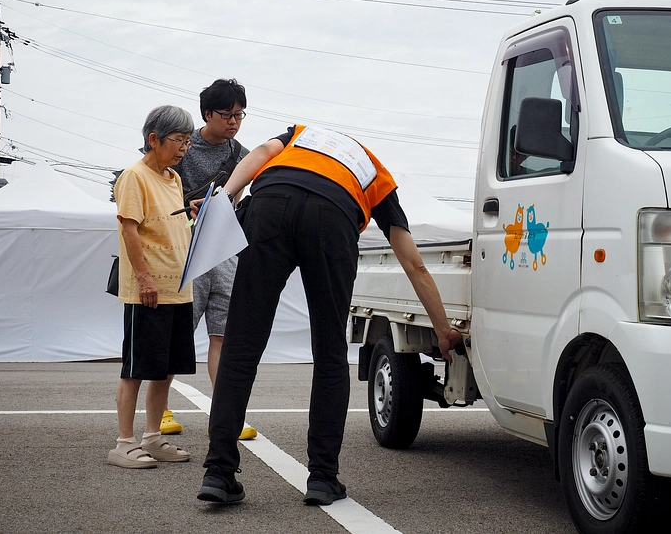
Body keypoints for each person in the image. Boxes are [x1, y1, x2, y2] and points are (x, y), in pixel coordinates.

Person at [196, 124, 463, 504]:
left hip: (270, 204)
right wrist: (443, 330)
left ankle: (218, 472)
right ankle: (322, 478)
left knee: (240, 346)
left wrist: (223, 198)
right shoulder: (375, 173)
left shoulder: (301, 134)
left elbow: (260, 154)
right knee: (329, 353)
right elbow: (413, 262)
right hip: (333, 218)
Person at [163, 78, 257, 440]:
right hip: (185, 251)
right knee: (177, 335)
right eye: (226, 114)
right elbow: (161, 194)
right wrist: (186, 208)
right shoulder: (183, 147)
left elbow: (238, 200)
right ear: (207, 114)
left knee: (223, 337)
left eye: (239, 115)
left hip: (224, 251)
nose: (234, 121)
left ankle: (225, 416)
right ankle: (161, 410)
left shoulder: (243, 154)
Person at [107, 105, 196, 469]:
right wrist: (144, 278)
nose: (184, 147)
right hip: (148, 290)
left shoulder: (173, 179)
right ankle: (123, 443)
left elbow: (170, 226)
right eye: (178, 140)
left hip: (179, 288)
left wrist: (192, 215)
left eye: (188, 141)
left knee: (166, 368)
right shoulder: (134, 176)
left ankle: (152, 437)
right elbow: (129, 230)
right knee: (136, 368)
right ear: (154, 139)